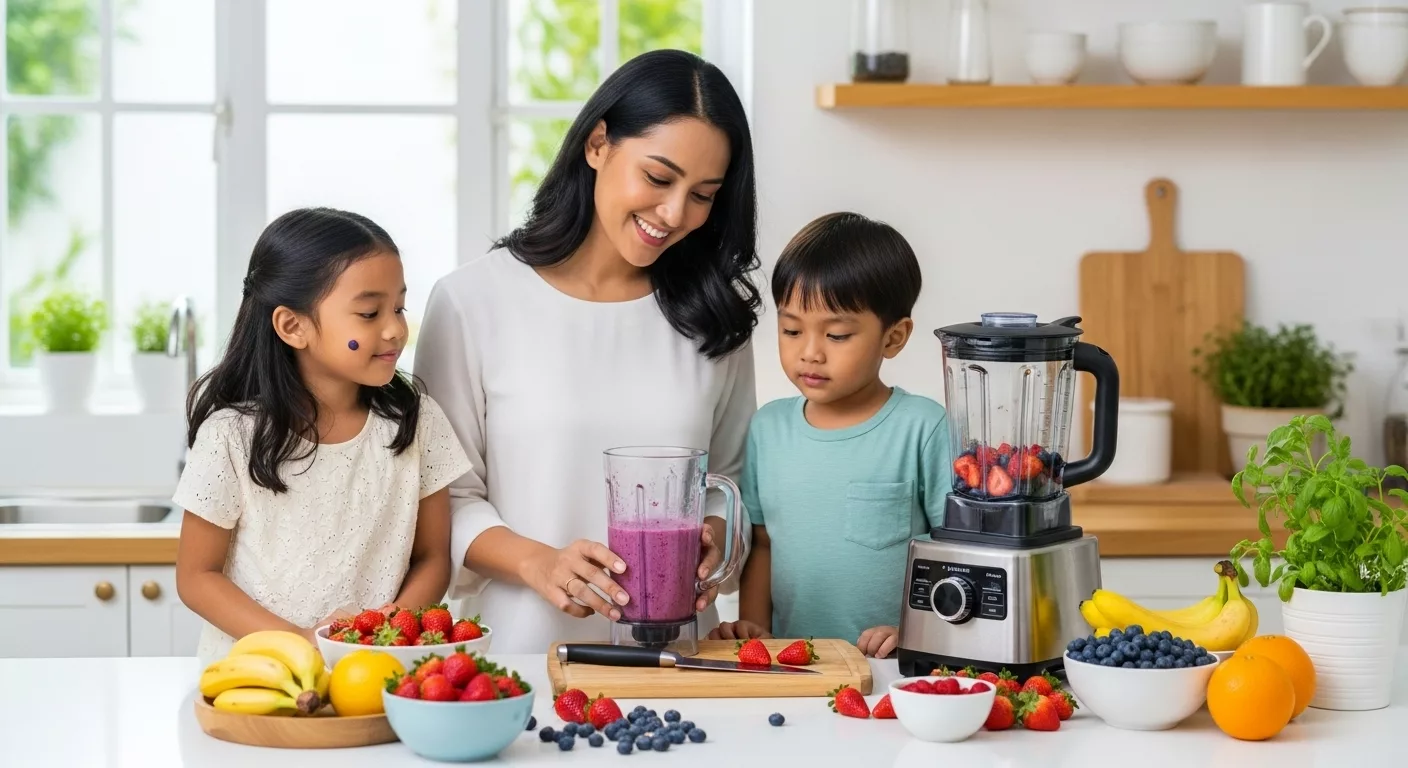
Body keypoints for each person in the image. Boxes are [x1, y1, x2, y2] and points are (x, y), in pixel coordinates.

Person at [413, 48, 761, 653]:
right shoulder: (473, 301)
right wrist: (539, 563)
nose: (675, 213)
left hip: (678, 664)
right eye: (658, 178)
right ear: (598, 144)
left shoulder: (716, 315)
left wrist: (713, 532)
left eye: (703, 195)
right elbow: (445, 503)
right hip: (518, 663)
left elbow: (732, 483)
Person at [174, 207, 471, 665]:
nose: (395, 328)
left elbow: (433, 558)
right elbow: (197, 576)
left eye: (398, 307)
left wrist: (385, 631)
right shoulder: (230, 436)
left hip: (376, 672)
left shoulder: (417, 421)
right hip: (260, 675)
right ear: (293, 326)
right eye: (369, 312)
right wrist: (300, 642)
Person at [708, 212, 950, 658]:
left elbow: (953, 551)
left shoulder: (923, 427)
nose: (810, 353)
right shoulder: (768, 429)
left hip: (892, 666)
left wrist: (918, 629)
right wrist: (755, 628)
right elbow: (761, 543)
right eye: (791, 330)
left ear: (893, 338)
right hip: (793, 668)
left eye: (837, 334)